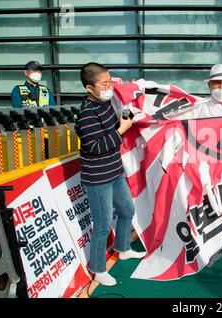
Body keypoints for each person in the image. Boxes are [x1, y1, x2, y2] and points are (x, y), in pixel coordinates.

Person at [169, 64, 222, 266]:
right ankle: (217, 246)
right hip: (210, 165)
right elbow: (173, 120)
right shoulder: (198, 106)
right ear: (209, 85)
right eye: (217, 83)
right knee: (215, 204)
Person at [76, 62, 146, 286]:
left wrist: (125, 117)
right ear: (90, 88)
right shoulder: (86, 113)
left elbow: (111, 127)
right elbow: (96, 146)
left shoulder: (105, 104)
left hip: (114, 171)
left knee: (127, 210)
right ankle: (98, 269)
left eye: (110, 82)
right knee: (103, 224)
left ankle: (122, 248)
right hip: (97, 179)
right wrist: (122, 129)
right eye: (104, 84)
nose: (109, 87)